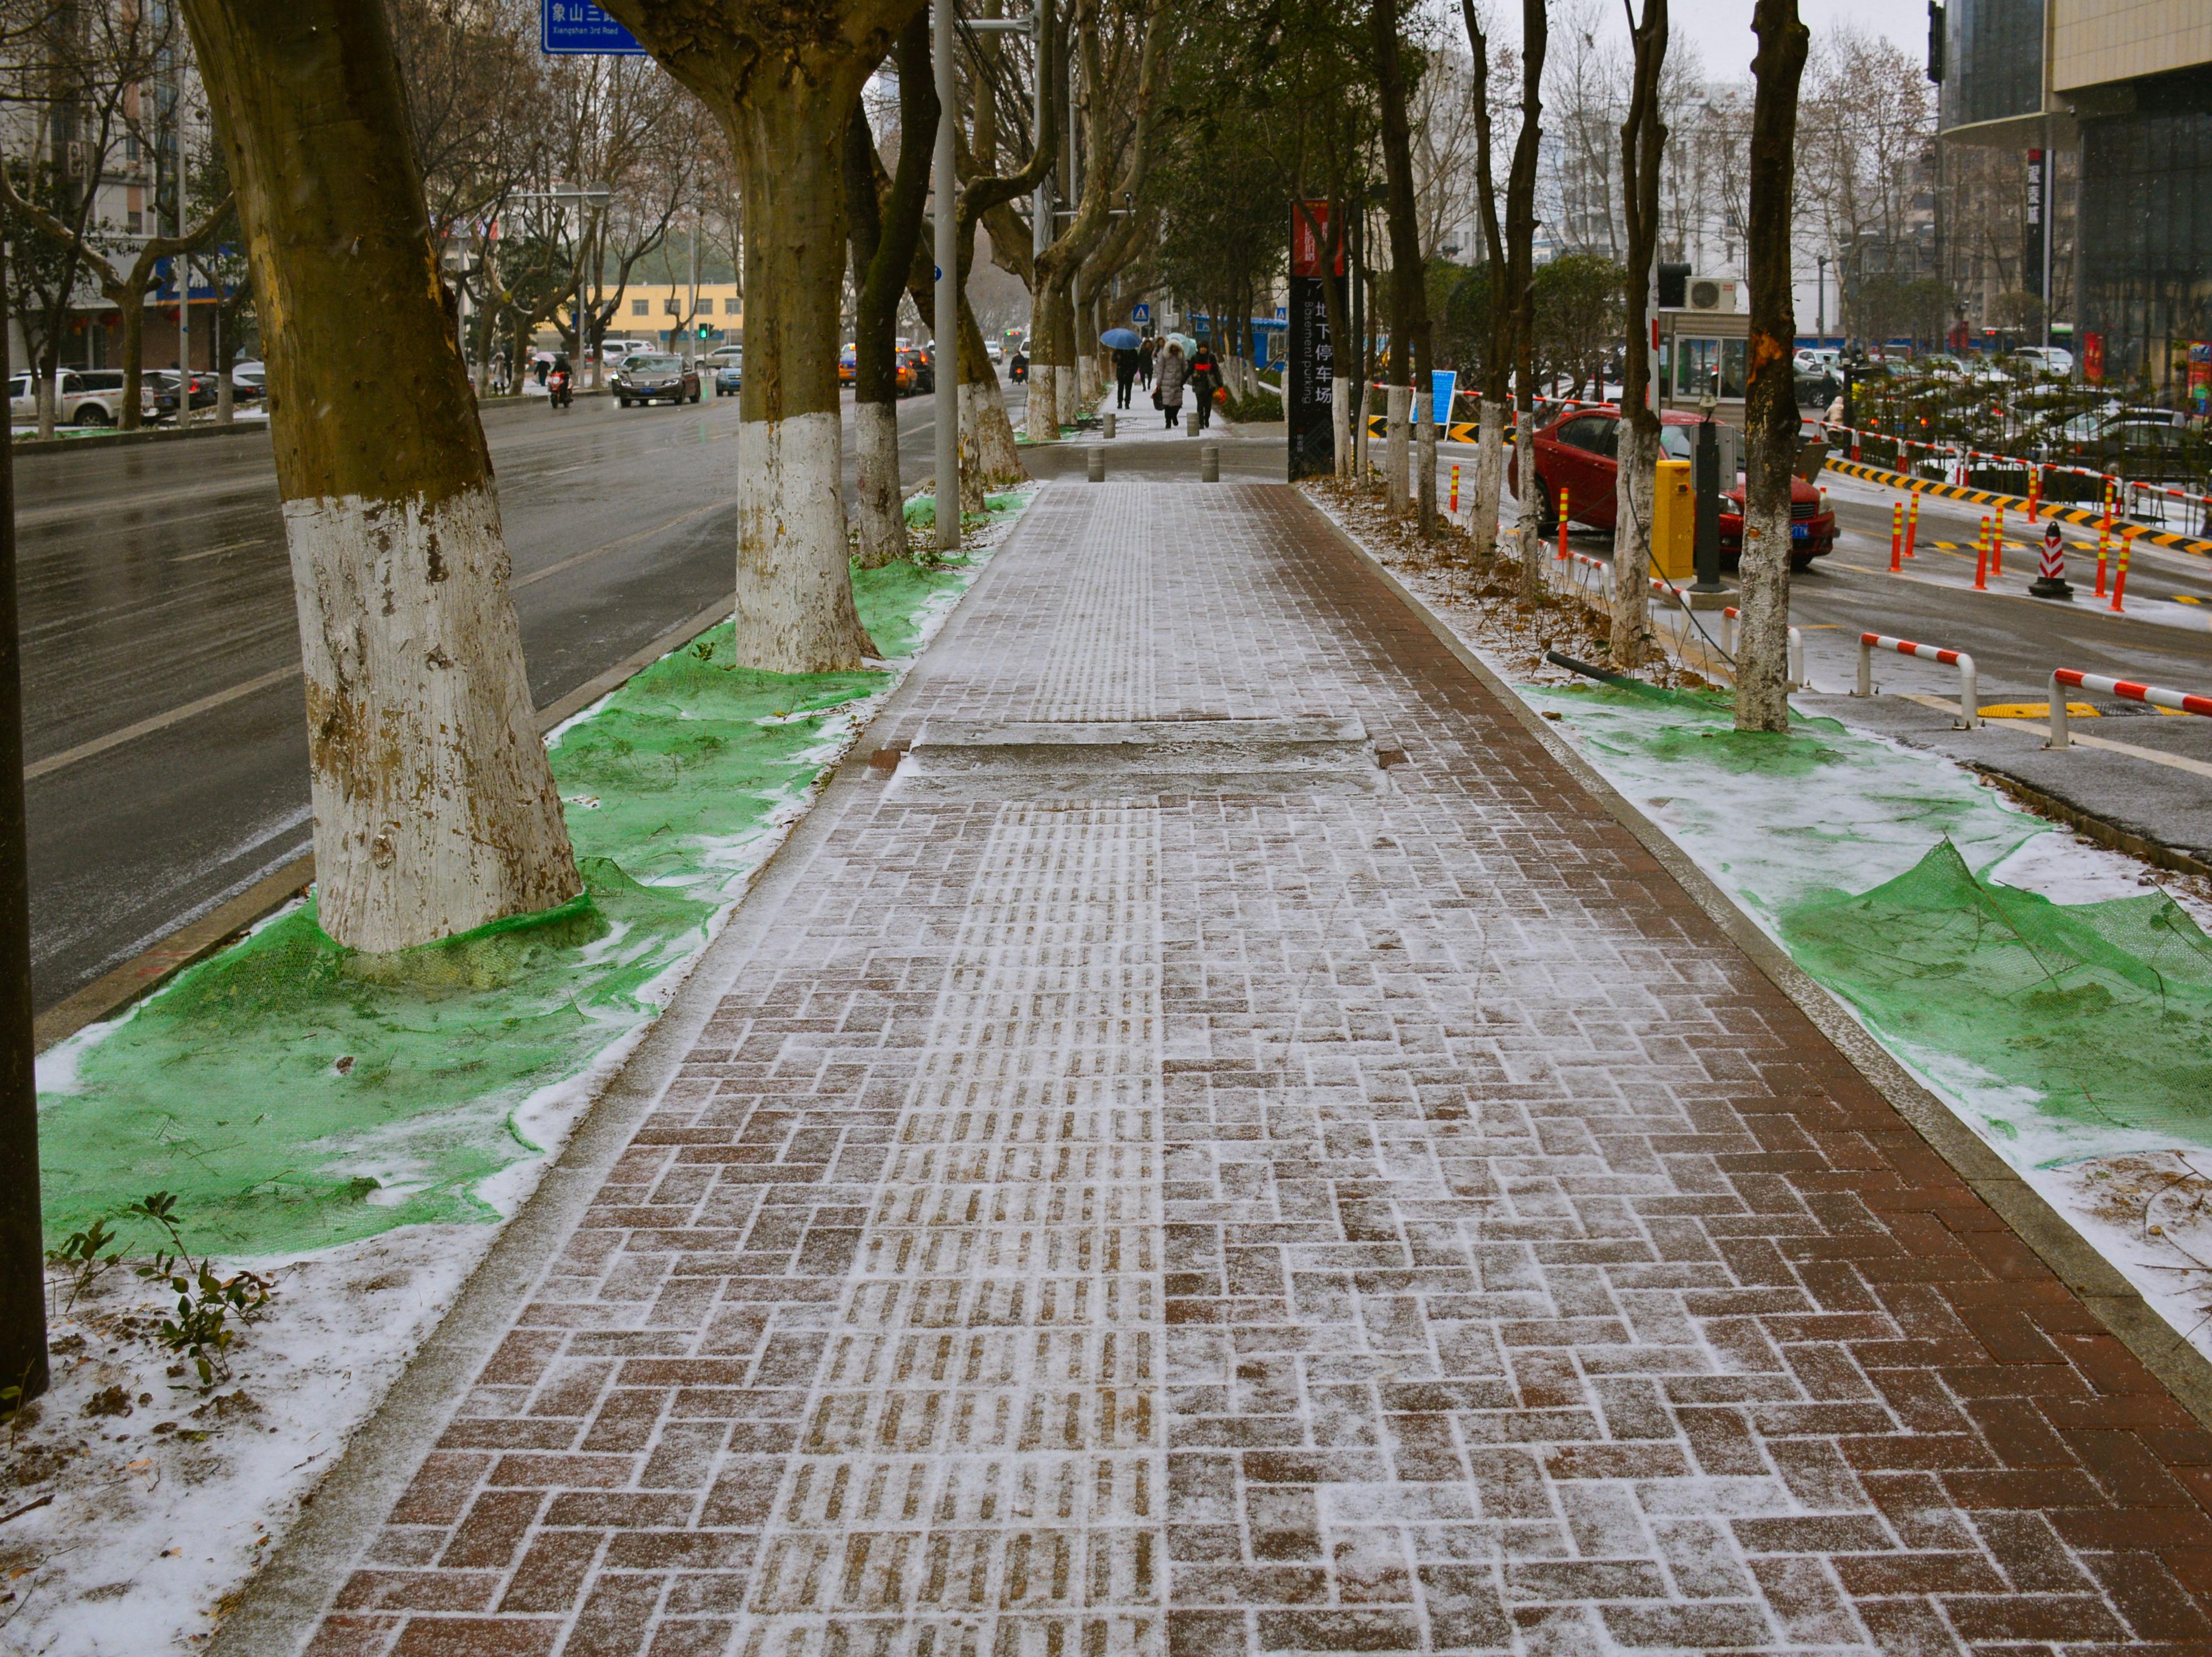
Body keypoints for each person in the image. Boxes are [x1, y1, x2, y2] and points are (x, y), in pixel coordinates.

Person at [1154, 339, 1189, 428]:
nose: (1174, 352)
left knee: (1177, 404)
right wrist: (1159, 382)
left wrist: (1188, 378)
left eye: (1176, 350)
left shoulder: (1181, 356)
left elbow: (1185, 367)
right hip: (1166, 383)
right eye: (1173, 350)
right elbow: (1160, 368)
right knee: (1167, 405)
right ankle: (1168, 422)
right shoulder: (1164, 356)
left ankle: (1174, 416)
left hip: (1178, 382)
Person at [1188, 344, 1223, 430]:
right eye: (1201, 348)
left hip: (1209, 385)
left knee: (1208, 404)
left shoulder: (1211, 357)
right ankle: (1201, 423)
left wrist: (1220, 384)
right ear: (1199, 348)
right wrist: (1182, 381)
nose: (1203, 349)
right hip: (1198, 383)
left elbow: (1216, 371)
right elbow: (1190, 370)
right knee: (1200, 404)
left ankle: (1206, 418)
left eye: (1205, 348)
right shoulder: (1195, 357)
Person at [1113, 345, 1140, 409]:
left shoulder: (1133, 351)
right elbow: (1113, 360)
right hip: (1121, 371)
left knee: (1128, 389)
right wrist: (1117, 358)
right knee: (1120, 388)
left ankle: (1127, 403)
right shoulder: (1118, 350)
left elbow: (1137, 362)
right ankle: (1120, 402)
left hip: (1129, 372)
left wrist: (1134, 371)